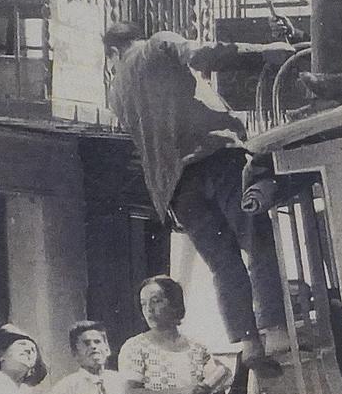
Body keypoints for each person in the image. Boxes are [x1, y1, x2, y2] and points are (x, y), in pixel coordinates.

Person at [107, 30, 298, 367]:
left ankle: (248, 342)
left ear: (112, 52)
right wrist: (263, 51)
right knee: (258, 241)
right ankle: (276, 329)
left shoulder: (116, 91)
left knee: (223, 264)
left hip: (175, 188)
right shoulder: (158, 45)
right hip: (216, 160)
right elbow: (201, 53)